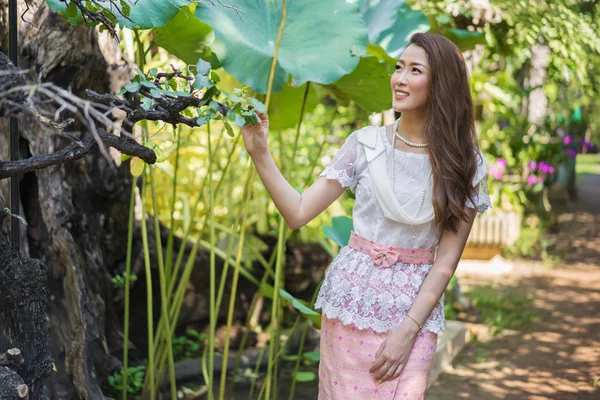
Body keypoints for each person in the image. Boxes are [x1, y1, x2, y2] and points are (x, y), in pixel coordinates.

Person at [241, 32, 490, 400]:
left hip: (413, 315)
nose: (400, 78)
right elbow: (297, 213)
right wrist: (260, 152)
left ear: (441, 85)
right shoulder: (365, 144)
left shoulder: (466, 164)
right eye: (398, 67)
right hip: (350, 304)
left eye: (414, 70)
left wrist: (408, 330)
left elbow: (445, 262)